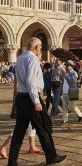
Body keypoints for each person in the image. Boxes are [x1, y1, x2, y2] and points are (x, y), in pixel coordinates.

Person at [8, 37, 67, 165]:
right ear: (36, 47)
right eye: (40, 46)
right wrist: (36, 101)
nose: (41, 48)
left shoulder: (20, 58)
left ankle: (12, 162)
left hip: (21, 97)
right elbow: (31, 82)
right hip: (31, 98)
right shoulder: (32, 59)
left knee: (19, 131)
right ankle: (51, 156)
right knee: (44, 127)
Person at [60, 60, 82, 126]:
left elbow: (72, 81)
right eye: (66, 65)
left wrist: (65, 75)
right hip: (64, 92)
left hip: (70, 92)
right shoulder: (64, 73)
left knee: (72, 107)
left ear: (71, 66)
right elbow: (63, 82)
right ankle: (65, 120)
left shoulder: (74, 73)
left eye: (68, 65)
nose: (66, 67)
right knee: (64, 107)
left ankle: (80, 114)